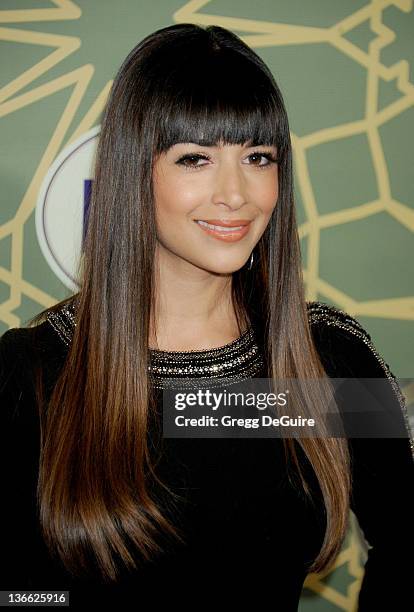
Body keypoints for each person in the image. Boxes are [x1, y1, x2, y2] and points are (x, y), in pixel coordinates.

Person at [1, 23, 413, 611]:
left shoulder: (327, 356)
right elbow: (19, 594)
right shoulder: (33, 374)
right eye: (195, 158)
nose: (235, 193)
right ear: (133, 174)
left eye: (257, 157)